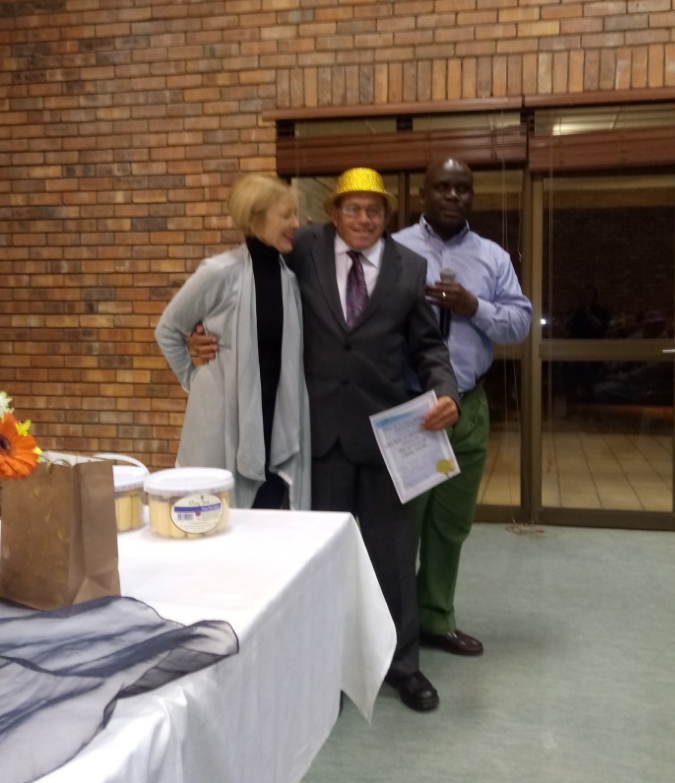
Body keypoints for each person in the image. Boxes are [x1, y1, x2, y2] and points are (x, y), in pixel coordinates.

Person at [191, 168, 459, 713]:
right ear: (333, 213)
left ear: (387, 217)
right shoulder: (304, 247)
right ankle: (325, 667)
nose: (363, 219)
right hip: (318, 435)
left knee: (392, 556)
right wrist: (203, 334)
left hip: (387, 437)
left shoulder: (409, 267)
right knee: (321, 560)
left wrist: (445, 390)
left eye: (374, 211)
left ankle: (403, 667)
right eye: (352, 209)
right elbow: (248, 281)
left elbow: (428, 346)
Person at [394, 158, 532, 657]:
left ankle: (436, 617)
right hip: (413, 409)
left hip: (469, 408)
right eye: (442, 187)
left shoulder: (493, 257)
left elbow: (520, 323)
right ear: (423, 194)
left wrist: (475, 307)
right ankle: (394, 630)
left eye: (462, 188)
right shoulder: (395, 249)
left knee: (451, 524)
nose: (453, 196)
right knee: (403, 527)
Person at [155, 173, 311, 512]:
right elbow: (168, 329)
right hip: (221, 429)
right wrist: (194, 380)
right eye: (286, 215)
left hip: (273, 427)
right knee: (215, 526)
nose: (296, 224)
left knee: (264, 526)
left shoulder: (288, 279)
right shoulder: (219, 273)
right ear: (256, 218)